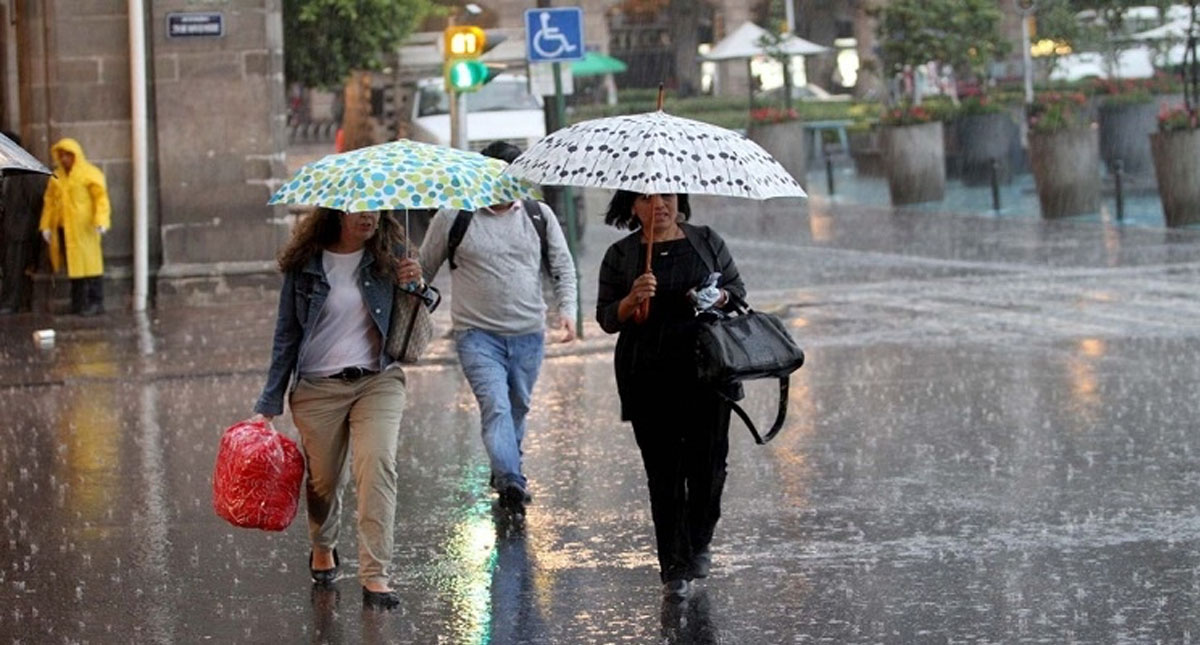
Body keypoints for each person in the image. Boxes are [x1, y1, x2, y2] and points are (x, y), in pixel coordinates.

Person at [250, 207, 423, 610]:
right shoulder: (306, 263)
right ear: (336, 213)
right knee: (324, 481)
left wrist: (415, 284)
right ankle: (323, 543)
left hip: (377, 380)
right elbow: (286, 335)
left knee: (377, 466)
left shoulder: (391, 251)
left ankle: (376, 574)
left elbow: (417, 313)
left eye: (375, 210)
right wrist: (269, 403)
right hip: (318, 388)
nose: (369, 218)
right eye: (358, 211)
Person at [595, 191, 746, 602]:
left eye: (668, 195)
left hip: (708, 368)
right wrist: (631, 300)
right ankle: (674, 567)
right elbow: (607, 318)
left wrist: (719, 297)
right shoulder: (622, 255)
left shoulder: (706, 240)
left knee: (708, 467)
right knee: (664, 472)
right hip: (648, 373)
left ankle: (698, 542)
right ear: (632, 208)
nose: (660, 204)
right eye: (646, 198)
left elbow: (736, 289)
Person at [417, 141, 578, 512]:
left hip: (528, 334)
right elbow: (425, 269)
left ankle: (506, 465)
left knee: (518, 406)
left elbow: (562, 266)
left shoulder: (539, 215)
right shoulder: (454, 216)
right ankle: (510, 478)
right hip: (476, 335)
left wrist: (566, 310)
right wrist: (410, 287)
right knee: (496, 407)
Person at [38, 138, 110, 316]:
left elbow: (100, 199)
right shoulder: (57, 177)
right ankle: (78, 303)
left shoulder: (89, 174)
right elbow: (49, 203)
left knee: (91, 266)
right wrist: (46, 225)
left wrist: (101, 220)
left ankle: (96, 302)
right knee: (74, 267)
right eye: (61, 156)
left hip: (86, 227)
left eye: (68, 156)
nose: (64, 160)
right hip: (65, 229)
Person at [0, 132, 49, 314]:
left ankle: (12, 303)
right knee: (8, 267)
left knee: (15, 268)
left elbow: (36, 200)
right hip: (9, 228)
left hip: (20, 229)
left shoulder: (25, 172)